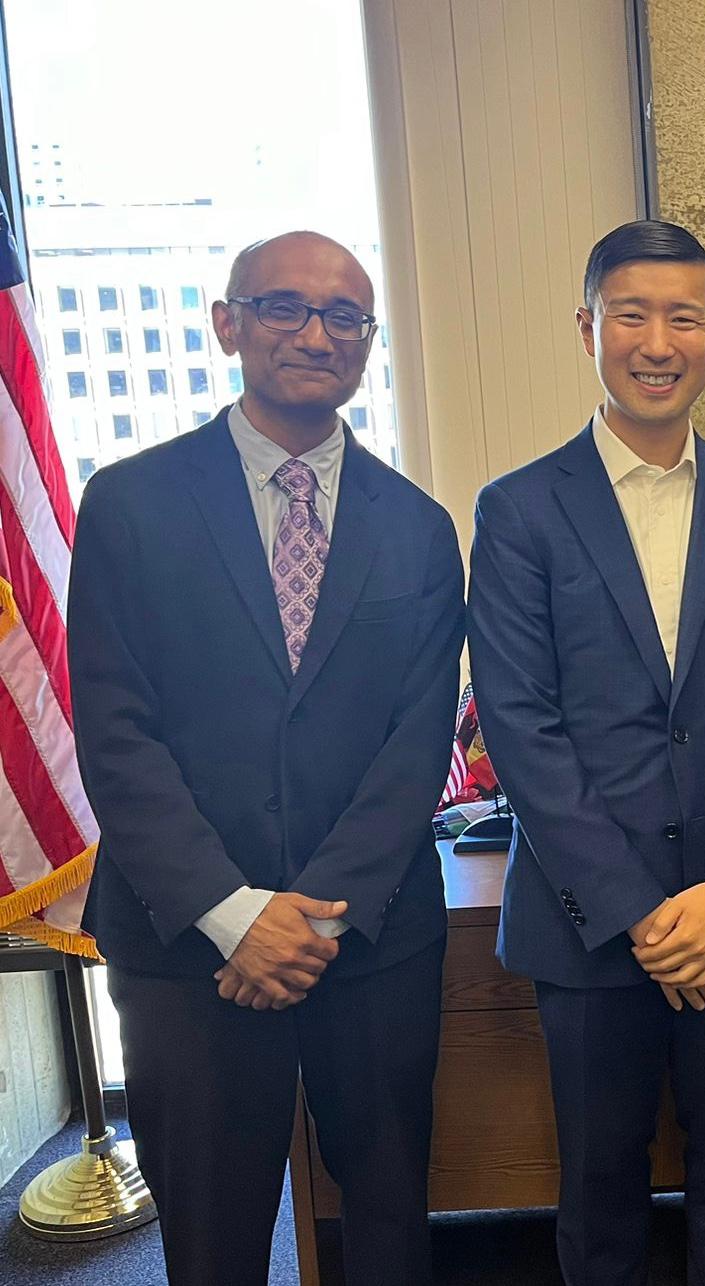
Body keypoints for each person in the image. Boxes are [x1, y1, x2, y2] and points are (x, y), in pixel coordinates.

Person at [66, 231, 466, 1285]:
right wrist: (235, 914)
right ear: (227, 322)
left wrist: (313, 913)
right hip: (187, 944)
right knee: (212, 1237)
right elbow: (114, 730)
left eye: (344, 317)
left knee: (387, 1225)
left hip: (368, 945)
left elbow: (416, 745)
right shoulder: (130, 503)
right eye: (284, 306)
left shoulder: (420, 530)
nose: (314, 332)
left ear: (367, 344)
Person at [467, 218, 705, 1285]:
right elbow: (520, 724)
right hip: (588, 928)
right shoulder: (520, 508)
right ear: (589, 328)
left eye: (682, 316)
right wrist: (636, 907)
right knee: (599, 1192)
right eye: (631, 314)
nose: (656, 340)